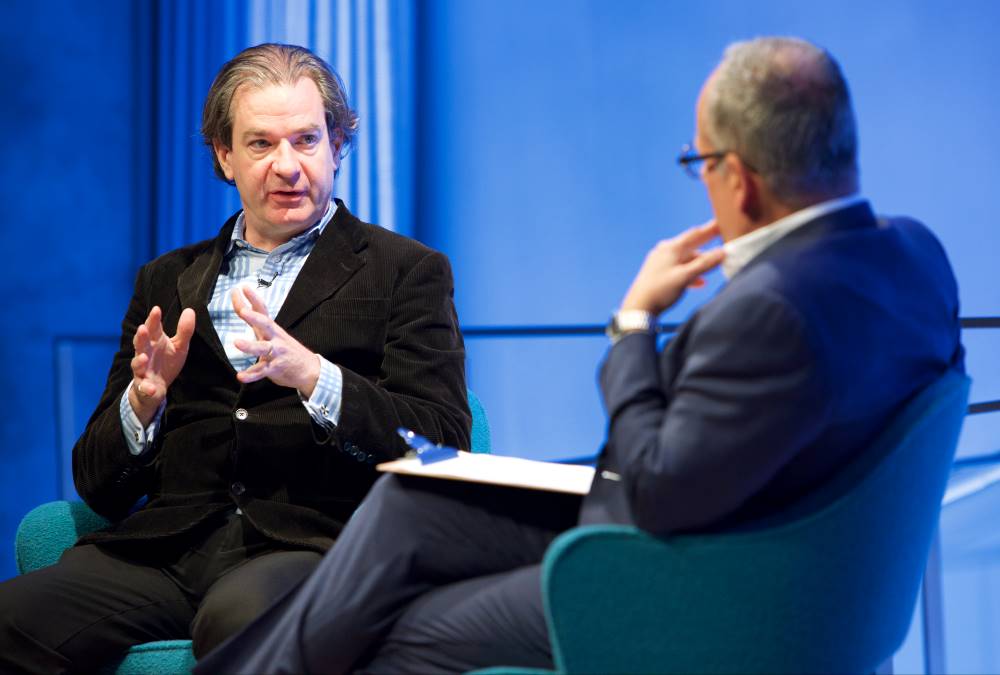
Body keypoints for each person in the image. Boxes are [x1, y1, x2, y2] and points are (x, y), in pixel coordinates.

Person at [196, 36, 965, 674]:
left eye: (701, 165)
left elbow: (660, 493)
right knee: (413, 502)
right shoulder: (915, 256)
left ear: (740, 177)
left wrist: (634, 324)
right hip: (771, 547)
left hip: (688, 582)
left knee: (390, 628)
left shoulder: (769, 309)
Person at [0, 43, 470, 673]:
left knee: (237, 617)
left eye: (306, 140)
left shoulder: (406, 271)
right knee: (12, 616)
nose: (287, 166)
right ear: (224, 155)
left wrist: (314, 376)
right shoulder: (167, 280)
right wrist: (143, 405)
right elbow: (97, 484)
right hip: (168, 548)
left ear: (337, 144)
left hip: (309, 547)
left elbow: (444, 444)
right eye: (260, 144)